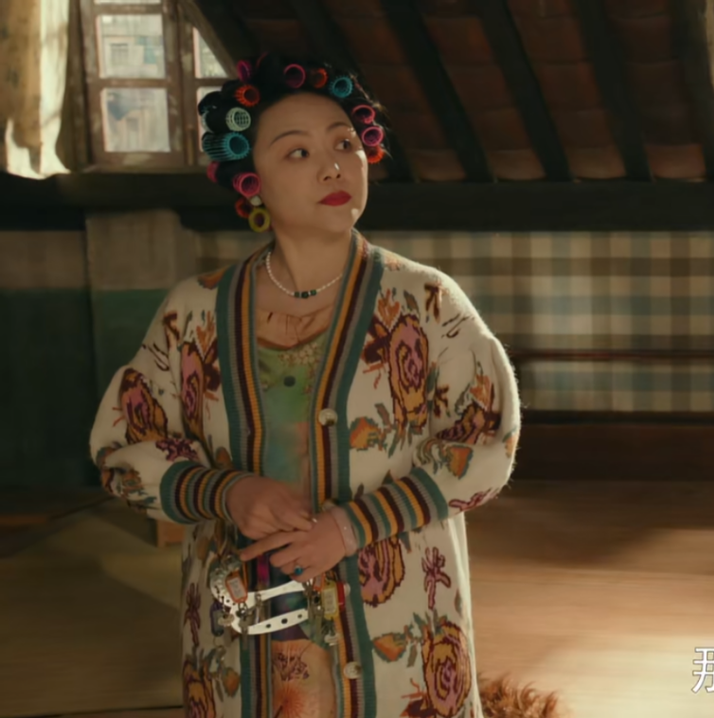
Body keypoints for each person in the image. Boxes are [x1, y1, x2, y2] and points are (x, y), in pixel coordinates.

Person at [89, 53, 539, 718]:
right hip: (238, 648)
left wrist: (353, 527)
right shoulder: (194, 312)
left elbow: (487, 442)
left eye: (345, 144)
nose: (333, 166)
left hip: (399, 640)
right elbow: (124, 448)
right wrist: (225, 490)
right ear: (252, 182)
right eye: (297, 152)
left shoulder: (426, 302)